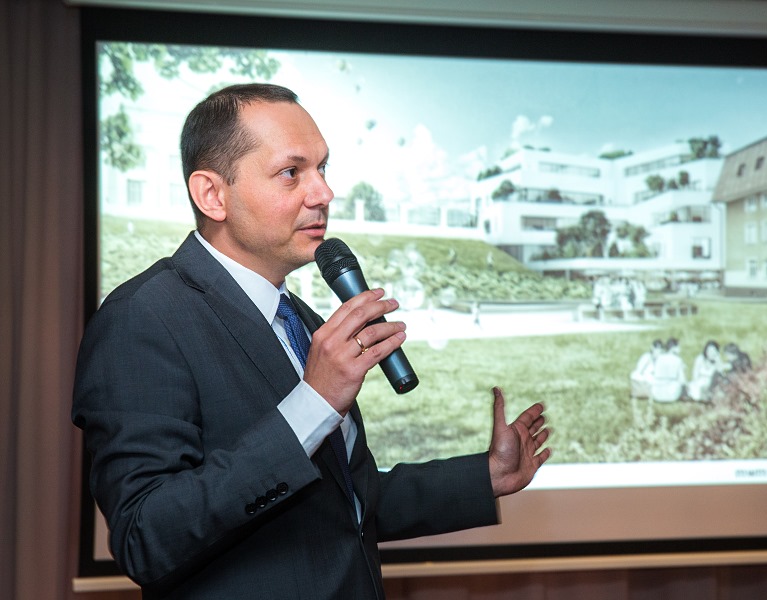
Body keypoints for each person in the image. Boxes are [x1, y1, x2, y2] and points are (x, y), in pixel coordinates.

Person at [72, 83, 551, 600]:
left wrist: (487, 475)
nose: (323, 193)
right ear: (212, 195)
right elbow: (145, 536)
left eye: (323, 168)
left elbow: (342, 504)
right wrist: (313, 402)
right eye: (291, 172)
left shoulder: (299, 318)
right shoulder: (142, 317)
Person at [650, 337, 687, 402]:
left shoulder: (659, 358)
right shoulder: (678, 360)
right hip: (671, 395)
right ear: (673, 348)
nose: (680, 349)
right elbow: (682, 380)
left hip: (656, 394)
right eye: (678, 347)